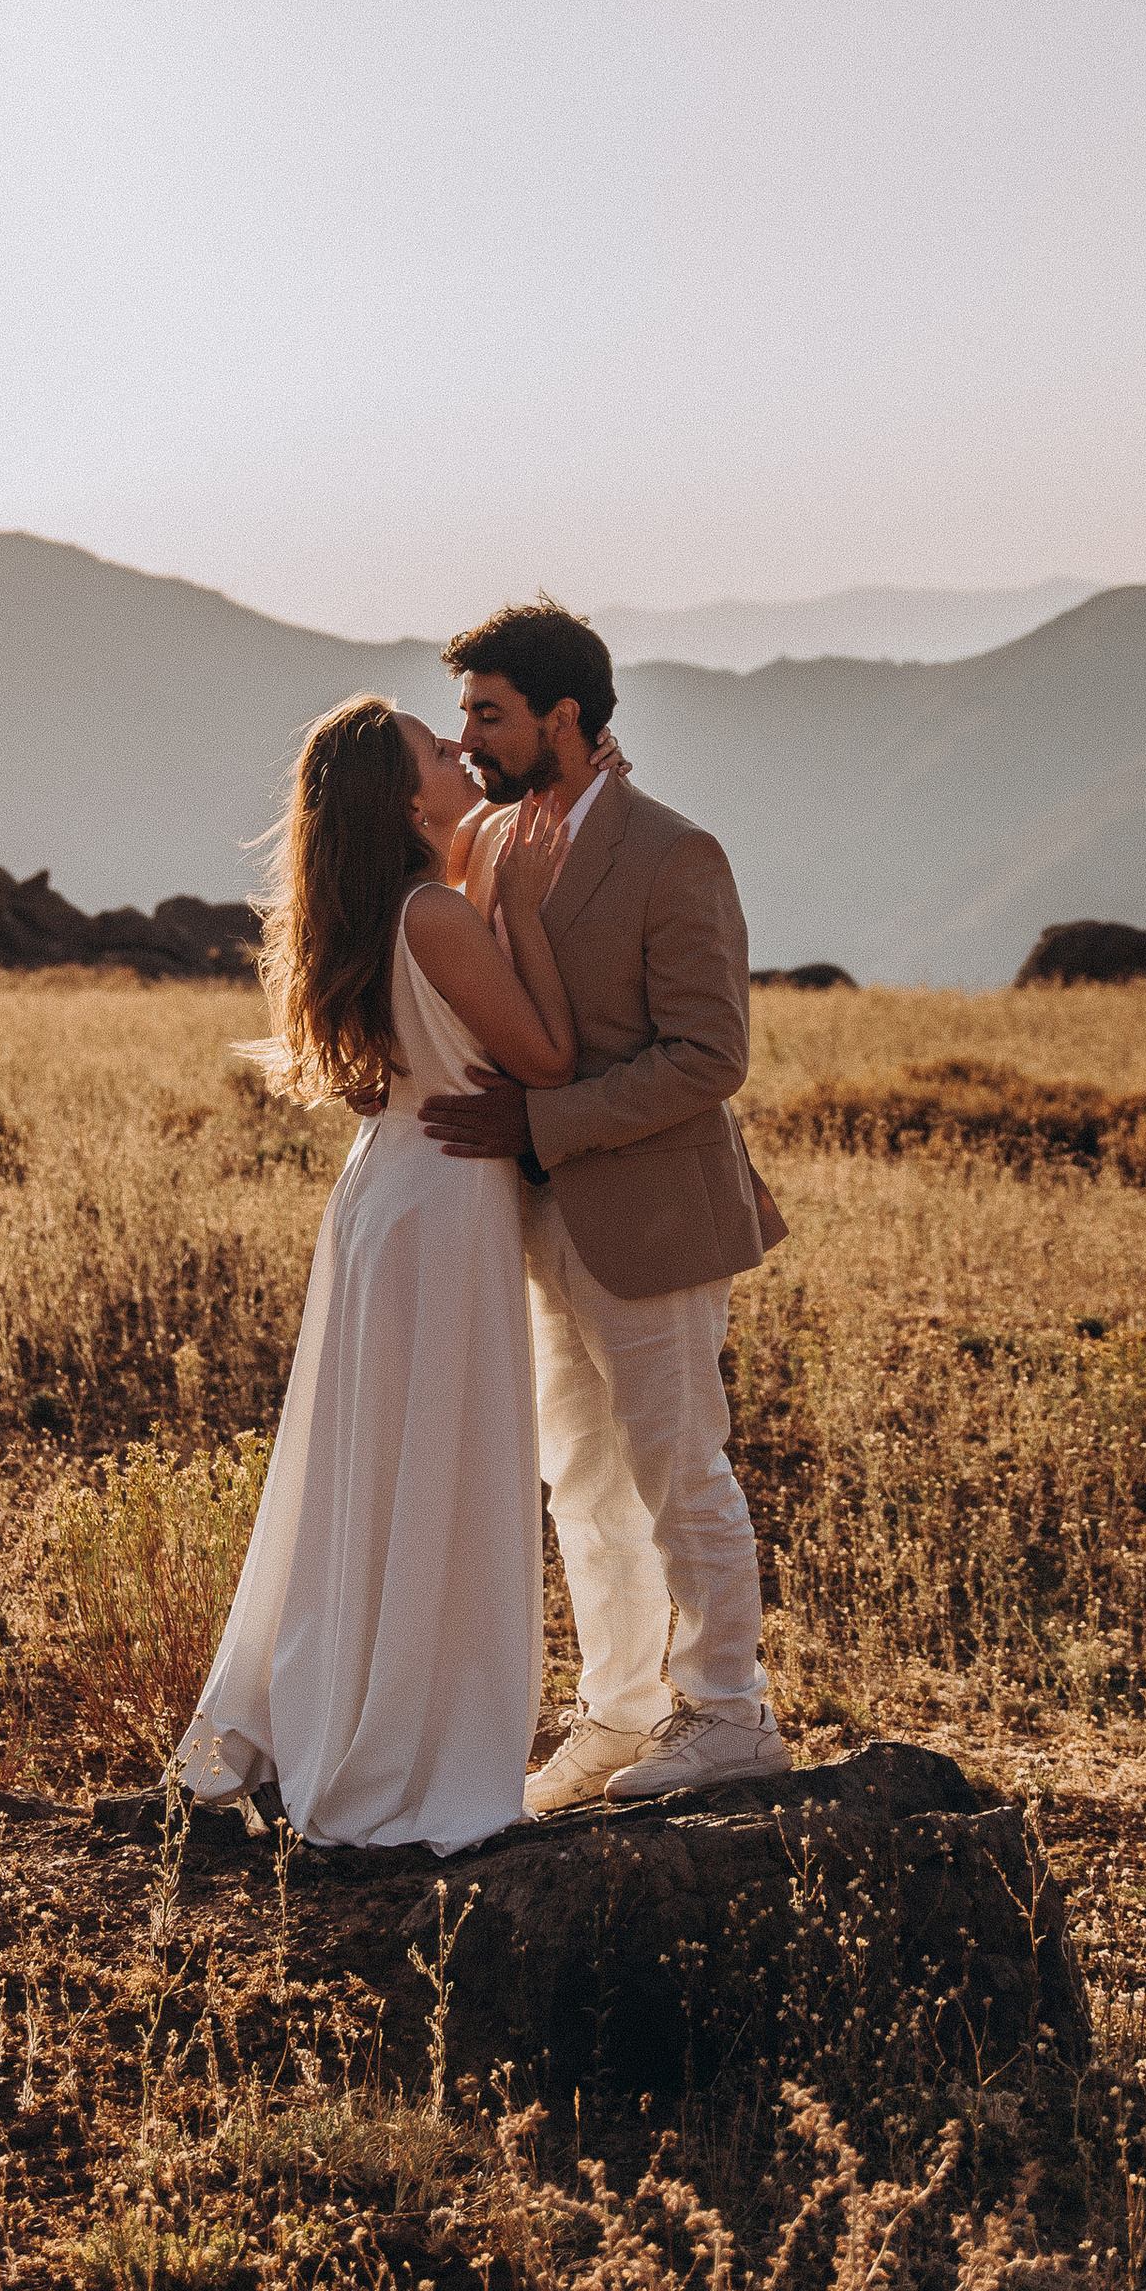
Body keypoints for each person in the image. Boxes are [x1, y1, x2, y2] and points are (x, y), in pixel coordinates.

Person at [171, 698, 579, 1852]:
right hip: (444, 1202)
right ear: (408, 802)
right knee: (436, 1469)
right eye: (436, 753)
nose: (459, 757)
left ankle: (308, 1711)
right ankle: (400, 1736)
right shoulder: (438, 914)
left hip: (384, 1192)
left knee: (363, 1468)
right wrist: (521, 908)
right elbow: (547, 1057)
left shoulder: (366, 913)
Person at [422, 598, 792, 1809]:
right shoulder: (489, 837)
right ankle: (619, 1716)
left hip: (657, 1221)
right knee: (580, 1479)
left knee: (680, 1466)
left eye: (489, 712)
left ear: (562, 718)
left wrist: (540, 1126)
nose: (466, 732)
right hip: (540, 1225)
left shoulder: (673, 853)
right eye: (465, 710)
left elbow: (709, 1057)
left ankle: (727, 1711)